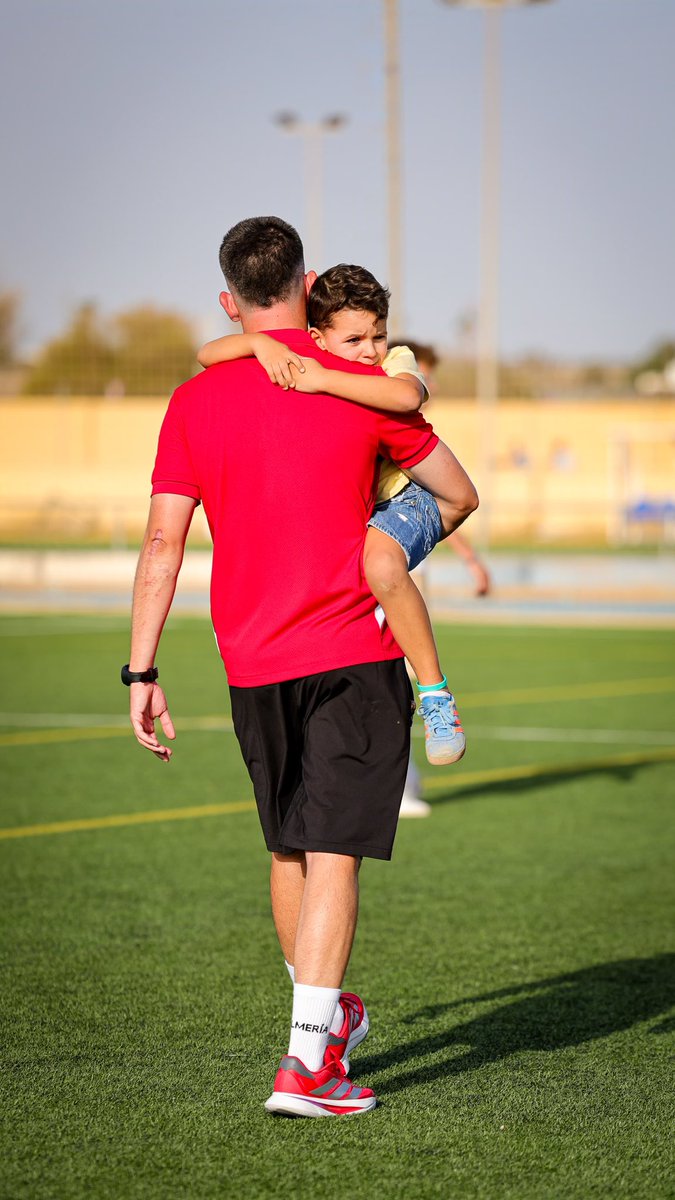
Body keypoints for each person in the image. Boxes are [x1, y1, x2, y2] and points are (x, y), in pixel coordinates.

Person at [125, 216, 478, 1118]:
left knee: (289, 845)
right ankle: (307, 1065)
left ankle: (319, 1028)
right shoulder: (359, 384)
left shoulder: (194, 398)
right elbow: (457, 490)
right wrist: (390, 545)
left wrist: (141, 671)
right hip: (353, 650)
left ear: (227, 299)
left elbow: (164, 539)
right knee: (332, 856)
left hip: (249, 657)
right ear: (308, 282)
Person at [198, 265, 467, 772]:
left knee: (382, 568)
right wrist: (260, 346)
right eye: (356, 339)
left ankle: (435, 694)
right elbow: (206, 354)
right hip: (370, 507)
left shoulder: (387, 365)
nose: (371, 350)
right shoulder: (301, 353)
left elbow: (408, 396)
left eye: (379, 335)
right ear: (318, 337)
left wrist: (322, 377)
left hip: (408, 497)